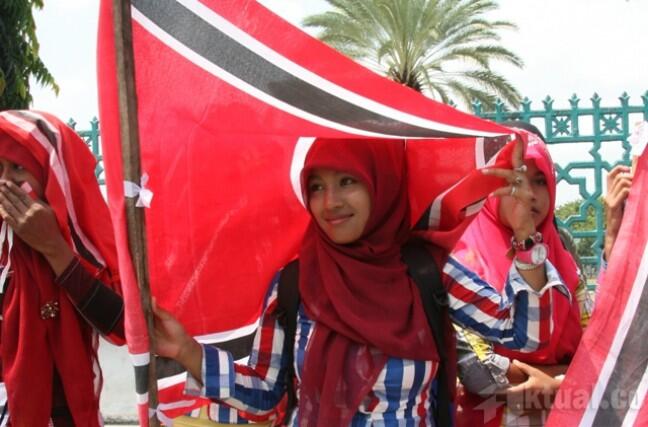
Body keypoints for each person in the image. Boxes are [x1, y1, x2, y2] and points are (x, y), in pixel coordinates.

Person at [153, 136, 571, 426]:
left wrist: (524, 239)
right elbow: (264, 395)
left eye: (347, 181)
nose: (330, 202)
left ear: (381, 183)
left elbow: (525, 336)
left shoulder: (426, 272)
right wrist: (187, 351)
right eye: (317, 186)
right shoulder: (296, 283)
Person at [452, 122, 594, 427]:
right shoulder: (460, 257)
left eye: (540, 179)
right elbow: (480, 372)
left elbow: (597, 351)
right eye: (515, 179)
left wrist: (555, 387)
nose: (528, 194)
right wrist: (565, 380)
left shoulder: (565, 260)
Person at [0, 111, 125, 426]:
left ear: (48, 174)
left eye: (18, 168)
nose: (5, 183)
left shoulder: (85, 238)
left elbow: (122, 326)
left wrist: (53, 247)